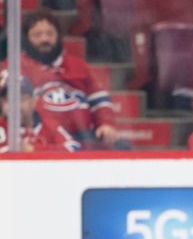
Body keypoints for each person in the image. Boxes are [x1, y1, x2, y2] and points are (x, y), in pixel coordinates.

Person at [5, 9, 119, 148]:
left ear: (58, 36)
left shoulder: (78, 65)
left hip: (83, 135)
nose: (44, 39)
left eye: (50, 34)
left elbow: (100, 99)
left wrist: (105, 123)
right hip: (41, 136)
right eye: (37, 34)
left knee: (122, 146)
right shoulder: (13, 67)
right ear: (26, 38)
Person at [0, 75, 80, 153]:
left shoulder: (48, 125)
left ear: (33, 102)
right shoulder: (1, 126)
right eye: (8, 100)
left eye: (21, 99)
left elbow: (73, 147)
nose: (15, 105)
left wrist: (34, 149)